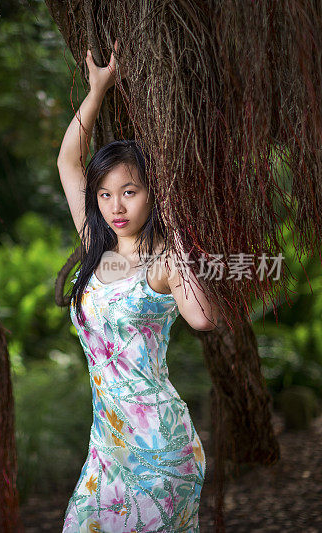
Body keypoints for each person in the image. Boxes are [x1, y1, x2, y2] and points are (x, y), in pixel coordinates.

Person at [56, 40, 219, 532]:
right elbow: (68, 161)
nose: (115, 206)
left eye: (130, 191)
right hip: (107, 448)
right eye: (105, 194)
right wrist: (98, 90)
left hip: (160, 448)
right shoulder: (95, 246)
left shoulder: (165, 262)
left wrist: (180, 237)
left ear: (152, 193)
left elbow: (203, 318)